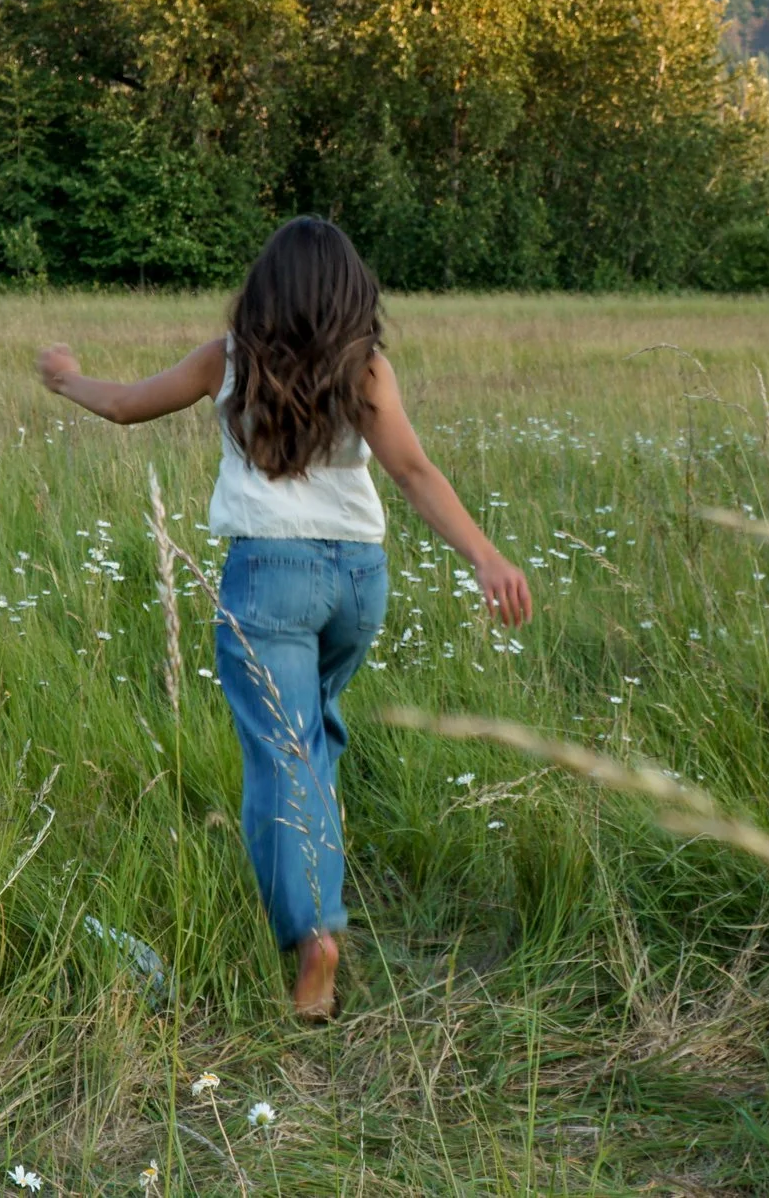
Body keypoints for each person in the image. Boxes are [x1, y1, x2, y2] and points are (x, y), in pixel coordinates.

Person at [36, 216, 531, 1020]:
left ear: (263, 288)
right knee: (313, 736)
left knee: (281, 753)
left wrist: (65, 378)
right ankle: (316, 898)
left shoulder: (227, 361)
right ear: (349, 293)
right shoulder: (365, 369)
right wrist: (486, 556)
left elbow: (125, 406)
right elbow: (412, 468)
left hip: (269, 576)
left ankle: (314, 938)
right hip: (357, 581)